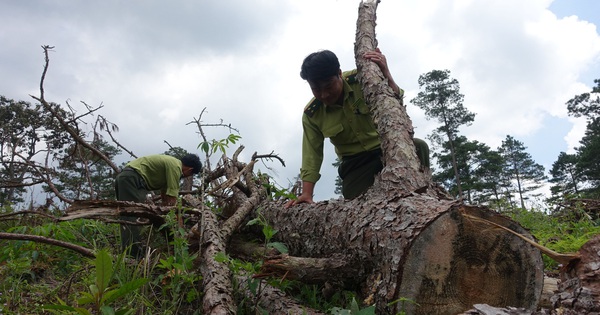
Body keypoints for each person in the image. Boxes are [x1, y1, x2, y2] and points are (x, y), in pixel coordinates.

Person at [285, 49, 429, 208]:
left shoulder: (363, 79)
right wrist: (306, 193)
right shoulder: (312, 114)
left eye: (328, 86)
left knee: (418, 146)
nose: (324, 94)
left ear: (339, 73)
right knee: (360, 209)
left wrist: (386, 73)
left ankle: (425, 197)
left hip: (387, 148)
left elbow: (395, 102)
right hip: (355, 165)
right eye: (316, 89)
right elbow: (312, 155)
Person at [115, 153, 202, 257]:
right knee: (131, 216)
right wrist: (180, 224)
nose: (188, 177)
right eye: (191, 174)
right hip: (132, 180)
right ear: (190, 169)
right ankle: (133, 255)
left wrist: (164, 215)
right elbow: (172, 200)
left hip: (127, 178)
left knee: (131, 216)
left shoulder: (171, 164)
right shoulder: (176, 168)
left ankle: (132, 250)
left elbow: (165, 197)